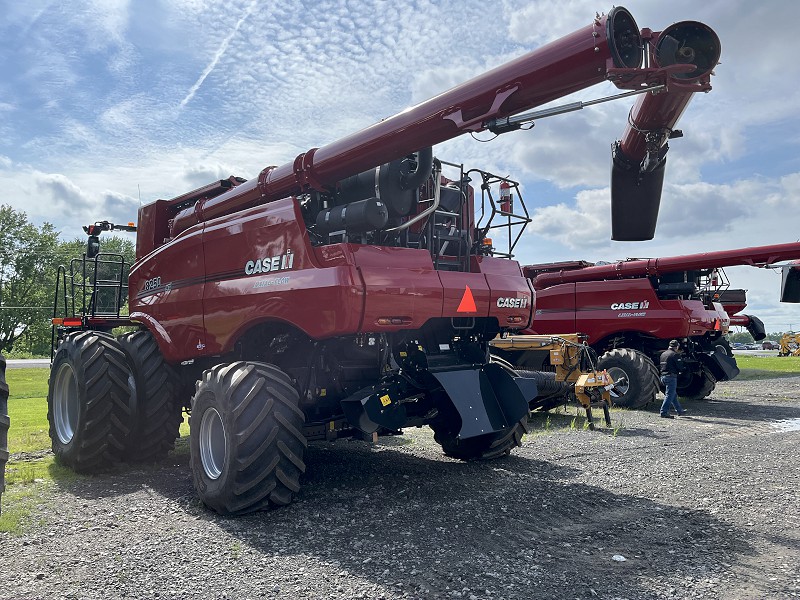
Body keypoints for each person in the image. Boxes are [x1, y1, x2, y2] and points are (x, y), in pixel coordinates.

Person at [659, 340, 687, 419]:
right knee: (669, 395)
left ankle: (679, 411)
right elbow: (680, 367)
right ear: (677, 346)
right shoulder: (675, 355)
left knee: (673, 394)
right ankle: (663, 412)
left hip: (663, 377)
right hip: (671, 377)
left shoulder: (663, 354)